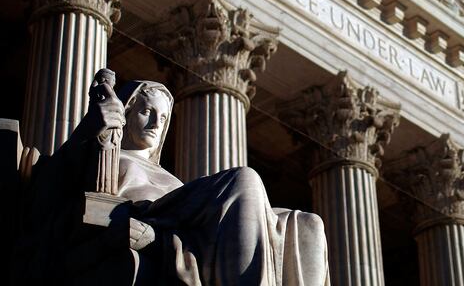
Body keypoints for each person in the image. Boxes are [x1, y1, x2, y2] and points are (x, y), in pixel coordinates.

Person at [14, 74, 329, 285]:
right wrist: (92, 128)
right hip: (151, 218)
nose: (155, 122)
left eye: (162, 118)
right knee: (244, 180)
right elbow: (49, 188)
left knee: (308, 225)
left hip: (186, 228)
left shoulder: (168, 176)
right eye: (146, 112)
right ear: (124, 112)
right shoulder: (103, 152)